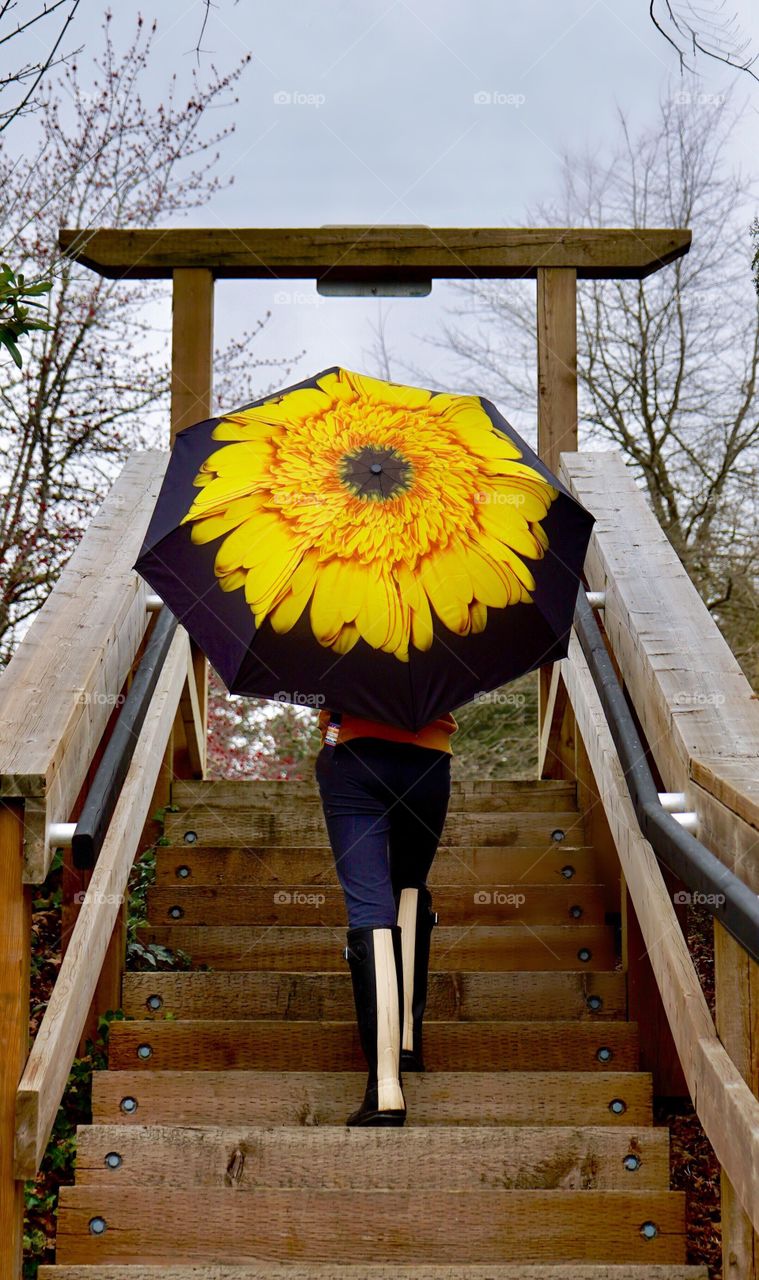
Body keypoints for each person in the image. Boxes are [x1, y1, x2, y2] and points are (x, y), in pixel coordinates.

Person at [314, 706, 457, 1127]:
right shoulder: (442, 634)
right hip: (428, 760)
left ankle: (386, 1086)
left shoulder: (324, 633)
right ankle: (407, 1039)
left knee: (370, 907)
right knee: (409, 886)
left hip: (353, 756)